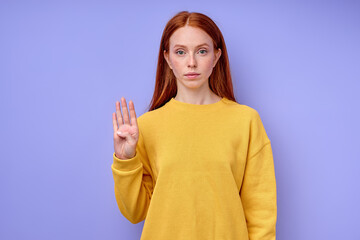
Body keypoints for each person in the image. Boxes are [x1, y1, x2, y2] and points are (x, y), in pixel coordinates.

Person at [111, 11, 277, 240]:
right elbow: (135, 212)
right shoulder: (145, 127)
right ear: (168, 58)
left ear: (216, 56)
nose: (191, 62)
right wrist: (125, 161)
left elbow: (261, 212)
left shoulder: (246, 121)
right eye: (181, 52)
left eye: (202, 51)